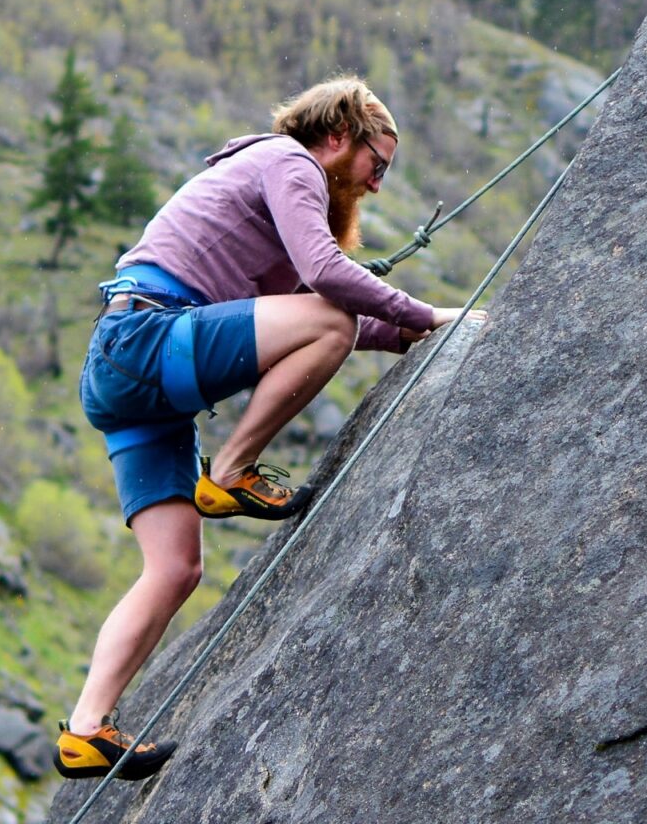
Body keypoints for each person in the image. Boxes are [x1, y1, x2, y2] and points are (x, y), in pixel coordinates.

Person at [53, 76, 487, 780]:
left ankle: (85, 729)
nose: (377, 185)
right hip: (148, 342)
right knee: (331, 319)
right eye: (377, 165)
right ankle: (232, 470)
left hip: (128, 376)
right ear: (339, 138)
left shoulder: (262, 189)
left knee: (174, 569)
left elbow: (296, 307)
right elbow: (325, 289)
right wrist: (427, 313)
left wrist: (411, 329)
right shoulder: (289, 162)